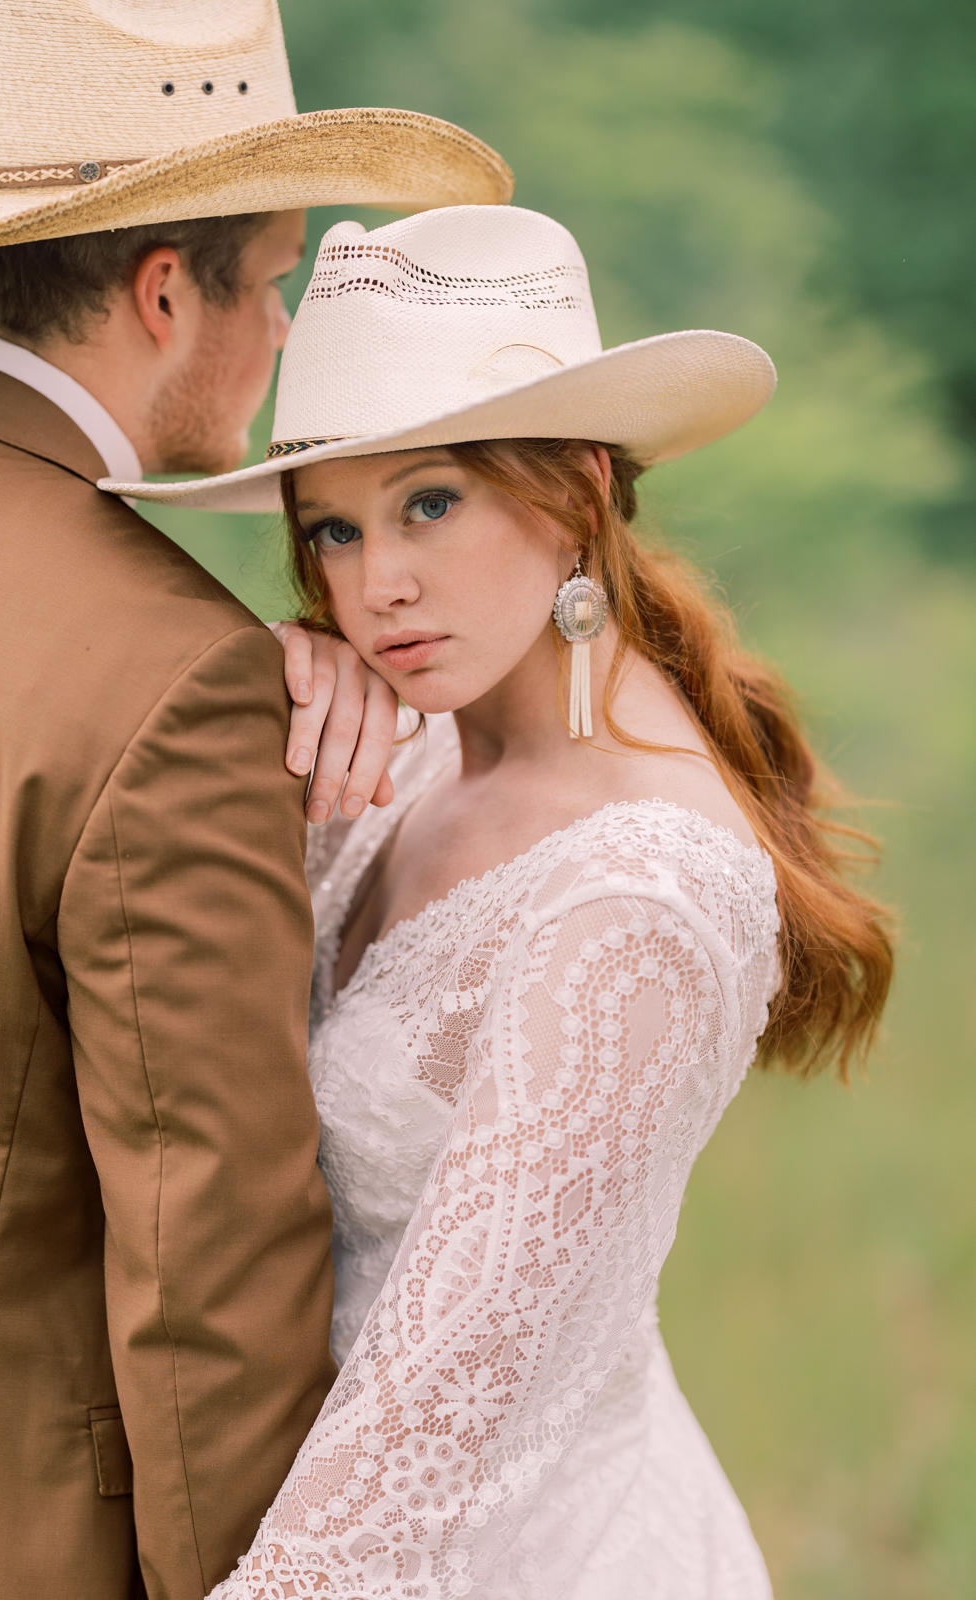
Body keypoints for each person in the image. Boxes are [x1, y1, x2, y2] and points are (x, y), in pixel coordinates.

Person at [123, 204, 894, 1599]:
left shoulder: (639, 899)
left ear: (578, 492)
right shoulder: (412, 751)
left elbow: (430, 1437)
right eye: (333, 531)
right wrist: (283, 694)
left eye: (430, 503)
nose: (378, 586)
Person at [0, 3, 511, 1597]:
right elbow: (210, 1282)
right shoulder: (165, 677)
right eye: (277, 279)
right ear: (166, 294)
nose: (288, 328)